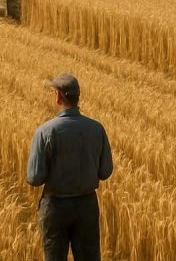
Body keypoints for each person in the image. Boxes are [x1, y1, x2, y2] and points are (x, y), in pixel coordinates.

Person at [26, 73, 113, 261]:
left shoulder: (45, 131)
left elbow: (34, 178)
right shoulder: (97, 129)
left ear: (58, 96)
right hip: (87, 206)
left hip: (56, 208)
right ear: (77, 97)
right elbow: (105, 171)